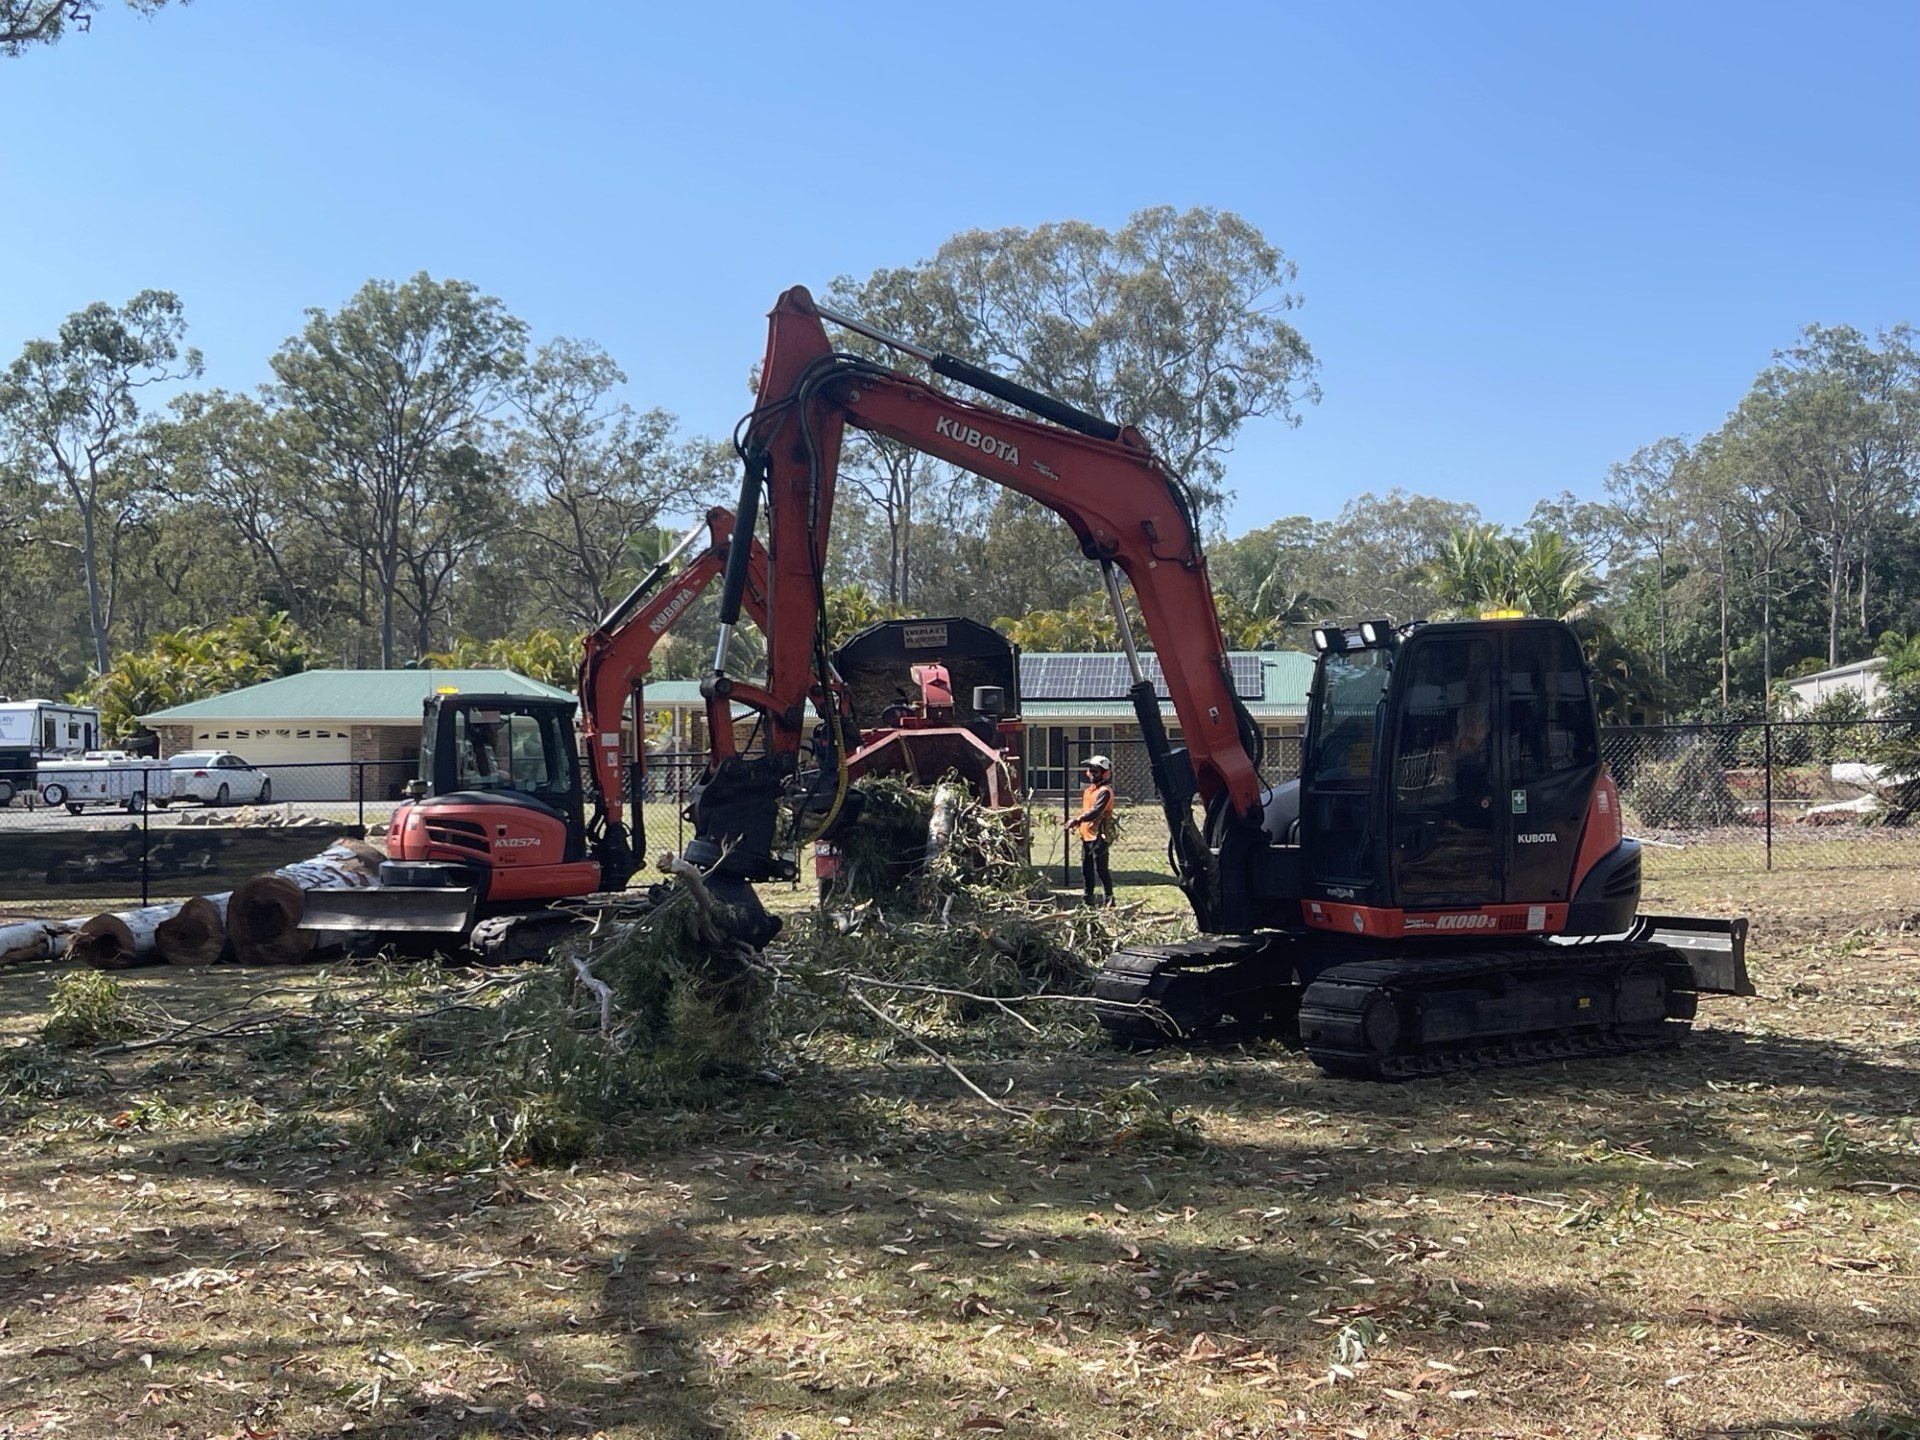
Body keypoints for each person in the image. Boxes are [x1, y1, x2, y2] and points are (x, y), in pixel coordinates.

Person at [1064, 754, 1117, 906]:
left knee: (1101, 869)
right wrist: (1079, 823)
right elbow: (1087, 810)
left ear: (1105, 774)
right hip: (1087, 835)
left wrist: (1077, 820)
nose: (1091, 774)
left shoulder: (1105, 791)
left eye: (1096, 771)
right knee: (1086, 868)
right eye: (1090, 771)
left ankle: (1109, 898)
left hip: (1100, 835)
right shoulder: (1089, 791)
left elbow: (1096, 811)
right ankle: (1088, 900)